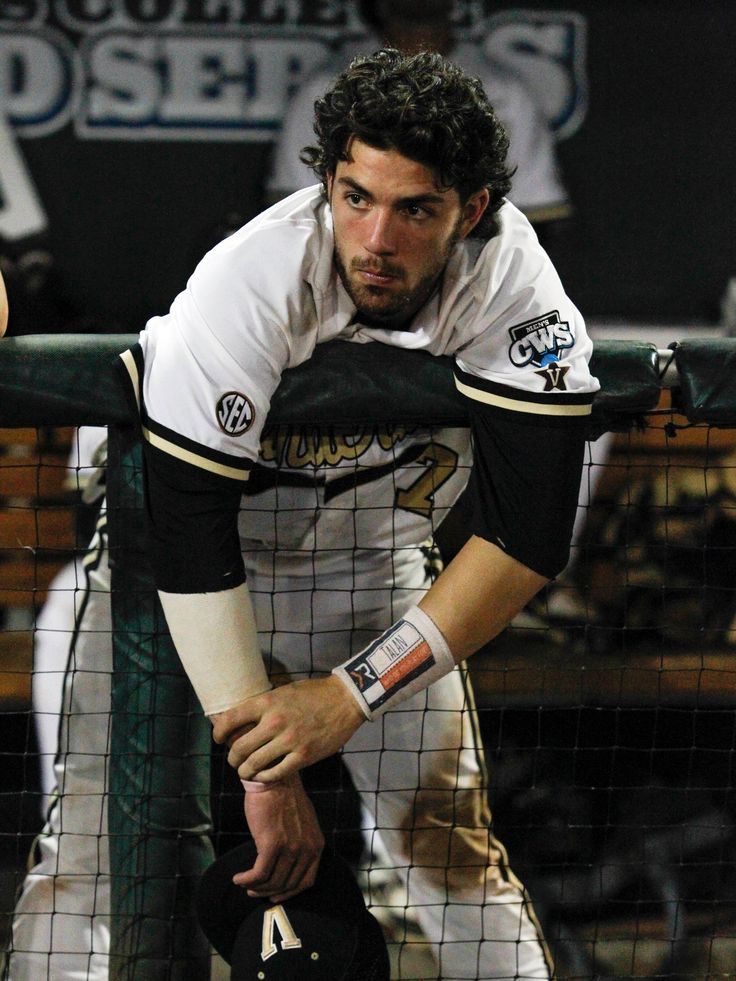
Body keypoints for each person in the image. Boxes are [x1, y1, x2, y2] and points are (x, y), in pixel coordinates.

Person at [9, 48, 597, 980]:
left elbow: (526, 535)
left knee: (452, 853)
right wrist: (268, 770)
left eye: (416, 209)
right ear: (328, 179)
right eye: (356, 196)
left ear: (472, 210)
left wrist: (351, 691)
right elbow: (187, 528)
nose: (376, 238)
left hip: (375, 572)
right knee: (85, 861)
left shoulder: (517, 291)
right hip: (166, 588)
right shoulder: (247, 282)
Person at [267, 0, 571, 244]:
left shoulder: (505, 92)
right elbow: (293, 218)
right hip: (355, 276)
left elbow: (536, 217)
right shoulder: (327, 87)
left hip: (468, 281)